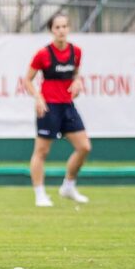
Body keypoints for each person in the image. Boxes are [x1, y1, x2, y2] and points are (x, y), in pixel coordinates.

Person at [24, 13, 92, 207]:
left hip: (68, 106)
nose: (62, 31)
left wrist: (77, 82)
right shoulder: (43, 54)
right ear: (51, 31)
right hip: (48, 107)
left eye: (64, 27)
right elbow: (27, 79)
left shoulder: (76, 52)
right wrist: (38, 97)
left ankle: (68, 186)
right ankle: (40, 194)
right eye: (57, 27)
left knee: (84, 147)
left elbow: (75, 74)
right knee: (42, 151)